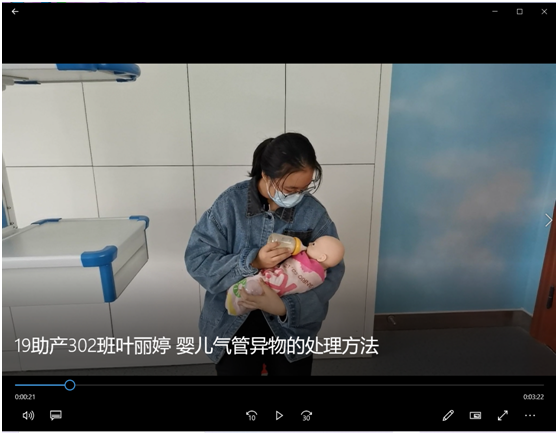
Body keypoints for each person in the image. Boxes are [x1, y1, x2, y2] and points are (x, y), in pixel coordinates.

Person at [184, 132, 345, 376]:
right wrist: (253, 261)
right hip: (233, 324)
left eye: (304, 189)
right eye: (291, 189)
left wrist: (285, 307)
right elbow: (198, 260)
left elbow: (333, 271)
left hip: (290, 329)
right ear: (266, 175)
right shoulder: (229, 205)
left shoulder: (314, 213)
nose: (298, 197)